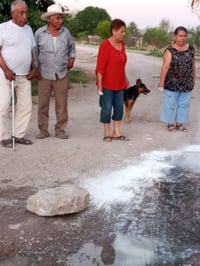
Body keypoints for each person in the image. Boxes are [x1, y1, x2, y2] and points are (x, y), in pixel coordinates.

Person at [35, 3, 76, 140]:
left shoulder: (66, 33)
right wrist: (35, 69)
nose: (60, 21)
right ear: (50, 18)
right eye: (58, 18)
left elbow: (72, 47)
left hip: (61, 73)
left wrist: (72, 58)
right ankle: (43, 130)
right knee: (43, 103)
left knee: (61, 103)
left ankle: (60, 129)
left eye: (61, 18)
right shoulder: (39, 33)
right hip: (44, 74)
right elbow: (35, 53)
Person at [0, 0, 36, 148]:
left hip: (24, 75)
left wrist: (34, 67)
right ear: (12, 14)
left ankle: (18, 135)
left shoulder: (28, 30)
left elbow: (31, 50)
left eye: (26, 12)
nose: (25, 15)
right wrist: (6, 69)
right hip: (5, 73)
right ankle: (3, 136)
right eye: (21, 12)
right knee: (3, 105)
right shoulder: (3, 28)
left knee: (26, 106)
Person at [95, 18, 130, 142]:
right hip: (107, 84)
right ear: (114, 31)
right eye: (121, 32)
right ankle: (107, 132)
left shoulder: (122, 45)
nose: (123, 34)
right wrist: (99, 86)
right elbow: (100, 67)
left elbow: (121, 65)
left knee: (119, 107)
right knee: (107, 108)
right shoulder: (105, 45)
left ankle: (116, 132)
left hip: (120, 83)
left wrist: (125, 79)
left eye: (124, 32)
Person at [158, 26, 196, 132]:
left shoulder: (191, 49)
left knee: (184, 104)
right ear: (175, 36)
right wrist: (161, 82)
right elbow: (165, 66)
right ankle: (170, 123)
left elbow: (192, 64)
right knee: (170, 103)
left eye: (184, 36)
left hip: (186, 82)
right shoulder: (170, 50)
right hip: (172, 83)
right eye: (180, 36)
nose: (182, 38)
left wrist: (193, 77)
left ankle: (180, 122)